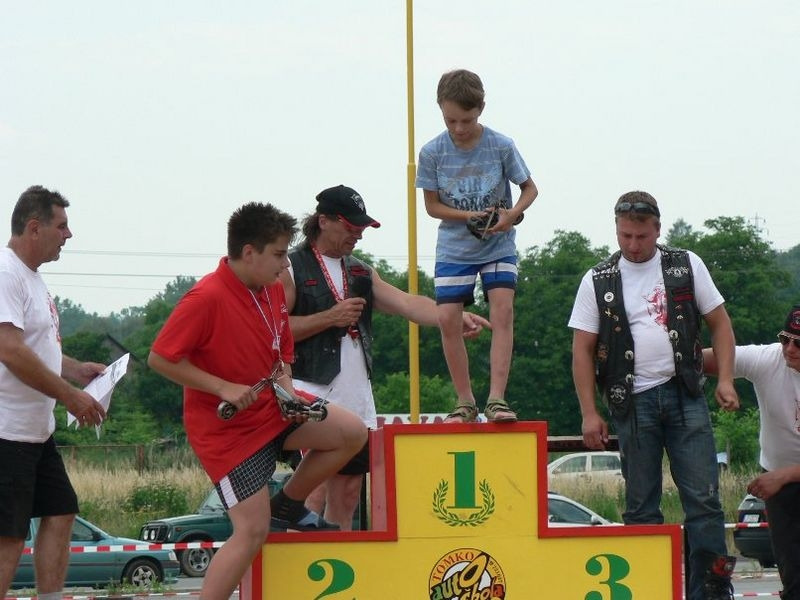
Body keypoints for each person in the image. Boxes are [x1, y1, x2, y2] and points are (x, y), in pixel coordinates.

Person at [148, 202, 367, 600]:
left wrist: (288, 392)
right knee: (252, 531)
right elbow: (160, 358)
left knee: (352, 432)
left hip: (272, 408)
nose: (285, 265)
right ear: (249, 252)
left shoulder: (271, 289)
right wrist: (222, 387)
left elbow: (281, 351)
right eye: (279, 255)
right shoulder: (205, 297)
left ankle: (288, 504)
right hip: (227, 432)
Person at [280, 184, 491, 530]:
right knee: (313, 490)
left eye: (362, 228)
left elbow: (407, 303)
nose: (358, 235)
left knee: (349, 492)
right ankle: (300, 559)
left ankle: (339, 559)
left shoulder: (360, 271)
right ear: (324, 221)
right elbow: (275, 330)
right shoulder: (291, 267)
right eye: (351, 227)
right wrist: (329, 318)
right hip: (309, 391)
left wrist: (451, 316)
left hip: (356, 397)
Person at [568, 190, 739, 600]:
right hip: (630, 400)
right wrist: (589, 412)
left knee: (705, 501)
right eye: (625, 235)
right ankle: (646, 591)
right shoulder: (597, 279)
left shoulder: (686, 264)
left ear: (657, 229)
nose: (632, 244)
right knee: (640, 506)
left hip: (685, 392)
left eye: (641, 236)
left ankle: (712, 592)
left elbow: (721, 324)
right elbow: (582, 350)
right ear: (616, 230)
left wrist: (726, 379)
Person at [0, 186, 107, 600]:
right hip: (7, 432)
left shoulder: (32, 278)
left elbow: (37, 348)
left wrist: (76, 371)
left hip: (35, 433)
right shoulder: (6, 272)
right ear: (34, 227)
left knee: (61, 511)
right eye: (61, 226)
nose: (68, 234)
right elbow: (10, 350)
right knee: (8, 537)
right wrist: (70, 396)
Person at [415, 68, 538, 424]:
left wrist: (511, 213)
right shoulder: (432, 152)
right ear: (440, 109)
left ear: (481, 109)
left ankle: (496, 399)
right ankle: (465, 401)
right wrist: (467, 216)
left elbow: (530, 188)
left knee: (503, 310)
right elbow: (432, 206)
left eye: (466, 120)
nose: (458, 128)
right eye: (450, 120)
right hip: (454, 248)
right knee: (447, 318)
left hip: (498, 244)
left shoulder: (501, 145)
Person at [703, 304, 800, 600]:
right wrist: (724, 380)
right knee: (793, 576)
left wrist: (783, 475)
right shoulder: (768, 358)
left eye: (799, 343)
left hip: (780, 477)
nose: (789, 349)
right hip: (779, 484)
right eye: (785, 339)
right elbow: (708, 358)